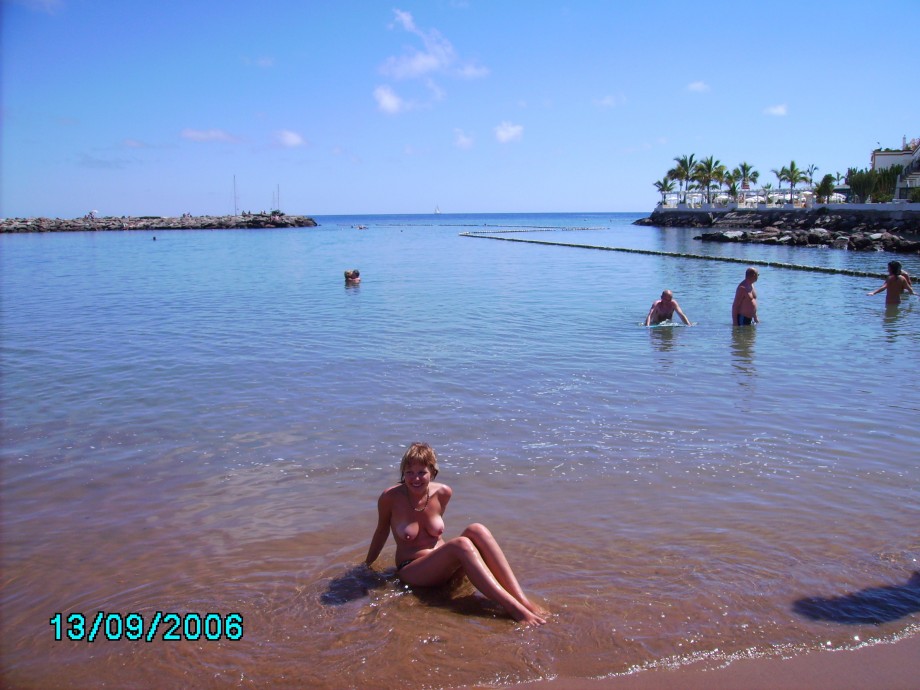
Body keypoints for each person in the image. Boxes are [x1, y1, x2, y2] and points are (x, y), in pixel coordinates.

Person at [365, 442, 547, 626]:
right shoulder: (390, 497)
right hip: (413, 570)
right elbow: (381, 531)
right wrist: (367, 566)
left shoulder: (443, 492)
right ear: (403, 473)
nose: (415, 478)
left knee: (477, 529)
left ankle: (522, 601)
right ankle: (515, 609)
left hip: (446, 568)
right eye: (409, 472)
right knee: (461, 544)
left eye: (422, 472)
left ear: (432, 472)